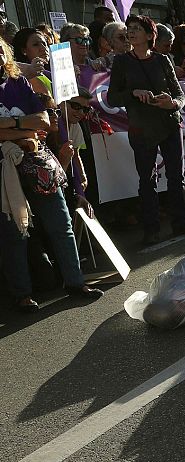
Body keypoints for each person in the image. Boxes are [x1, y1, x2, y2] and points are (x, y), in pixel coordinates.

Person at [0, 37, 103, 311]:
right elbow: (32, 125)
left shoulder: (19, 82)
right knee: (14, 232)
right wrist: (26, 129)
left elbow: (44, 120)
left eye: (0, 51)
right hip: (5, 168)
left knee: (61, 224)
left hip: (38, 163)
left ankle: (75, 282)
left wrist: (11, 125)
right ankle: (22, 295)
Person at [107, 15, 185, 245]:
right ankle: (151, 229)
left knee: (176, 176)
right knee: (147, 179)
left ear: (150, 35)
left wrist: (172, 103)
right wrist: (133, 93)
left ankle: (180, 222)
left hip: (169, 123)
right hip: (141, 127)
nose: (131, 32)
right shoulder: (122, 62)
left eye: (137, 29)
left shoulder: (162, 60)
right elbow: (112, 98)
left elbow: (179, 94)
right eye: (129, 28)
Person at [11, 27, 51, 95]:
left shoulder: (52, 71)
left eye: (44, 44)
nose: (43, 48)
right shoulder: (26, 77)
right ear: (23, 50)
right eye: (36, 45)